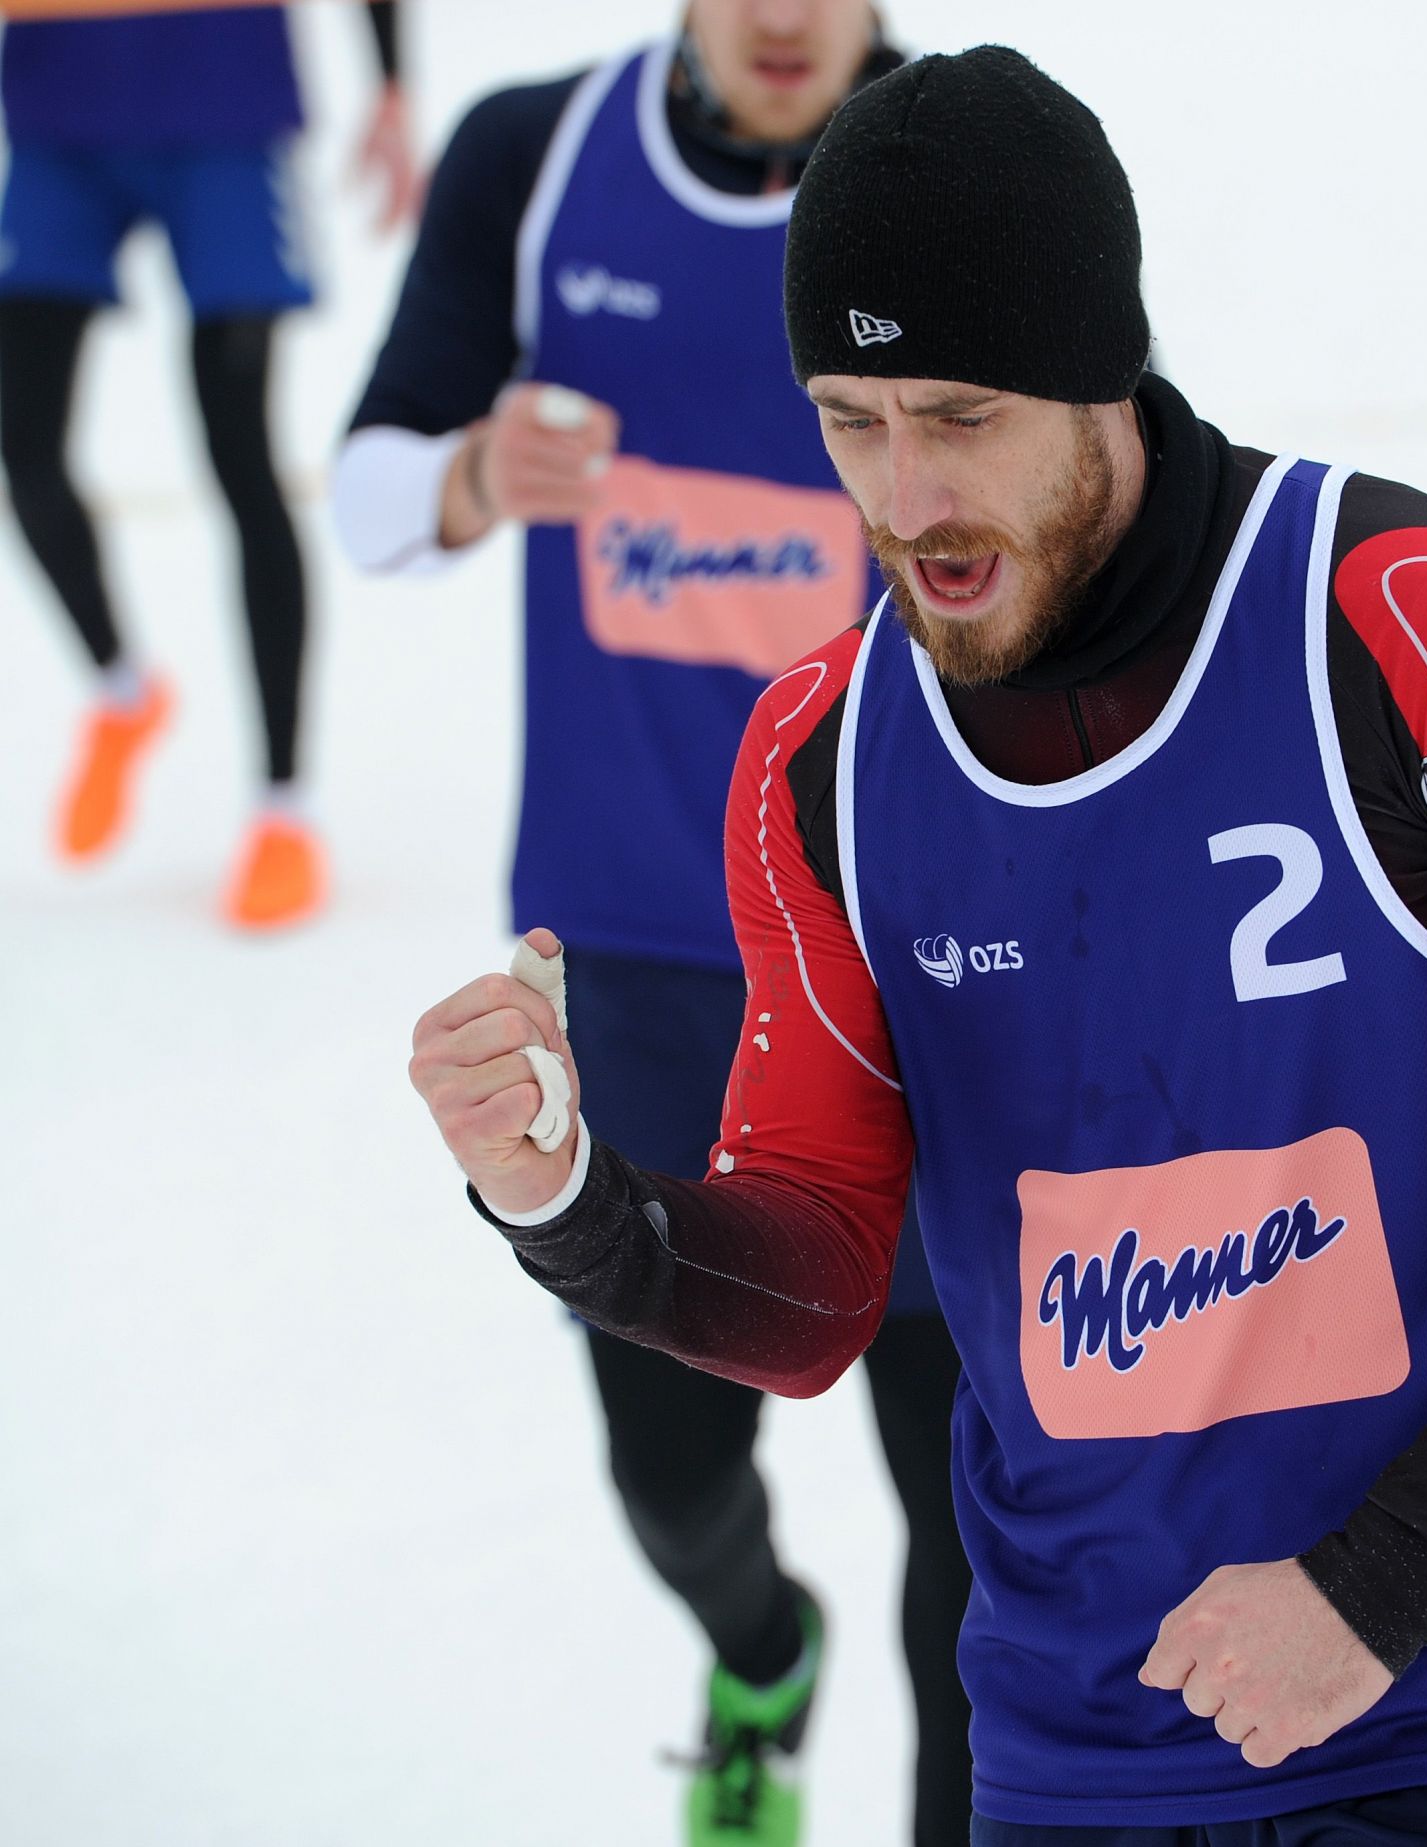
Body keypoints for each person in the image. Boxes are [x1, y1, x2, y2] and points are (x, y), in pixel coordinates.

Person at [409, 44, 1427, 1847]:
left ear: (1100, 371)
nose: (905, 497)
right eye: (850, 419)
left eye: (963, 416)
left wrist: (1375, 1589)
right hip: (1082, 1744)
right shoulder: (824, 756)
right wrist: (567, 1198)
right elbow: (820, 1282)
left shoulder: (1420, 622)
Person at [336, 9, 971, 1844]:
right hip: (633, 970)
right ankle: (760, 1652)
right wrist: (474, 475)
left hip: (929, 972)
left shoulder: (968, 171)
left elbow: (1126, 525)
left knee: (976, 1549)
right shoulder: (536, 157)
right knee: (675, 1481)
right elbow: (368, 494)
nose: (781, 21)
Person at [0, 0, 417, 929]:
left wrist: (391, 81)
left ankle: (283, 808)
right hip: (57, 105)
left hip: (221, 97)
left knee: (239, 454)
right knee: (24, 445)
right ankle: (123, 691)